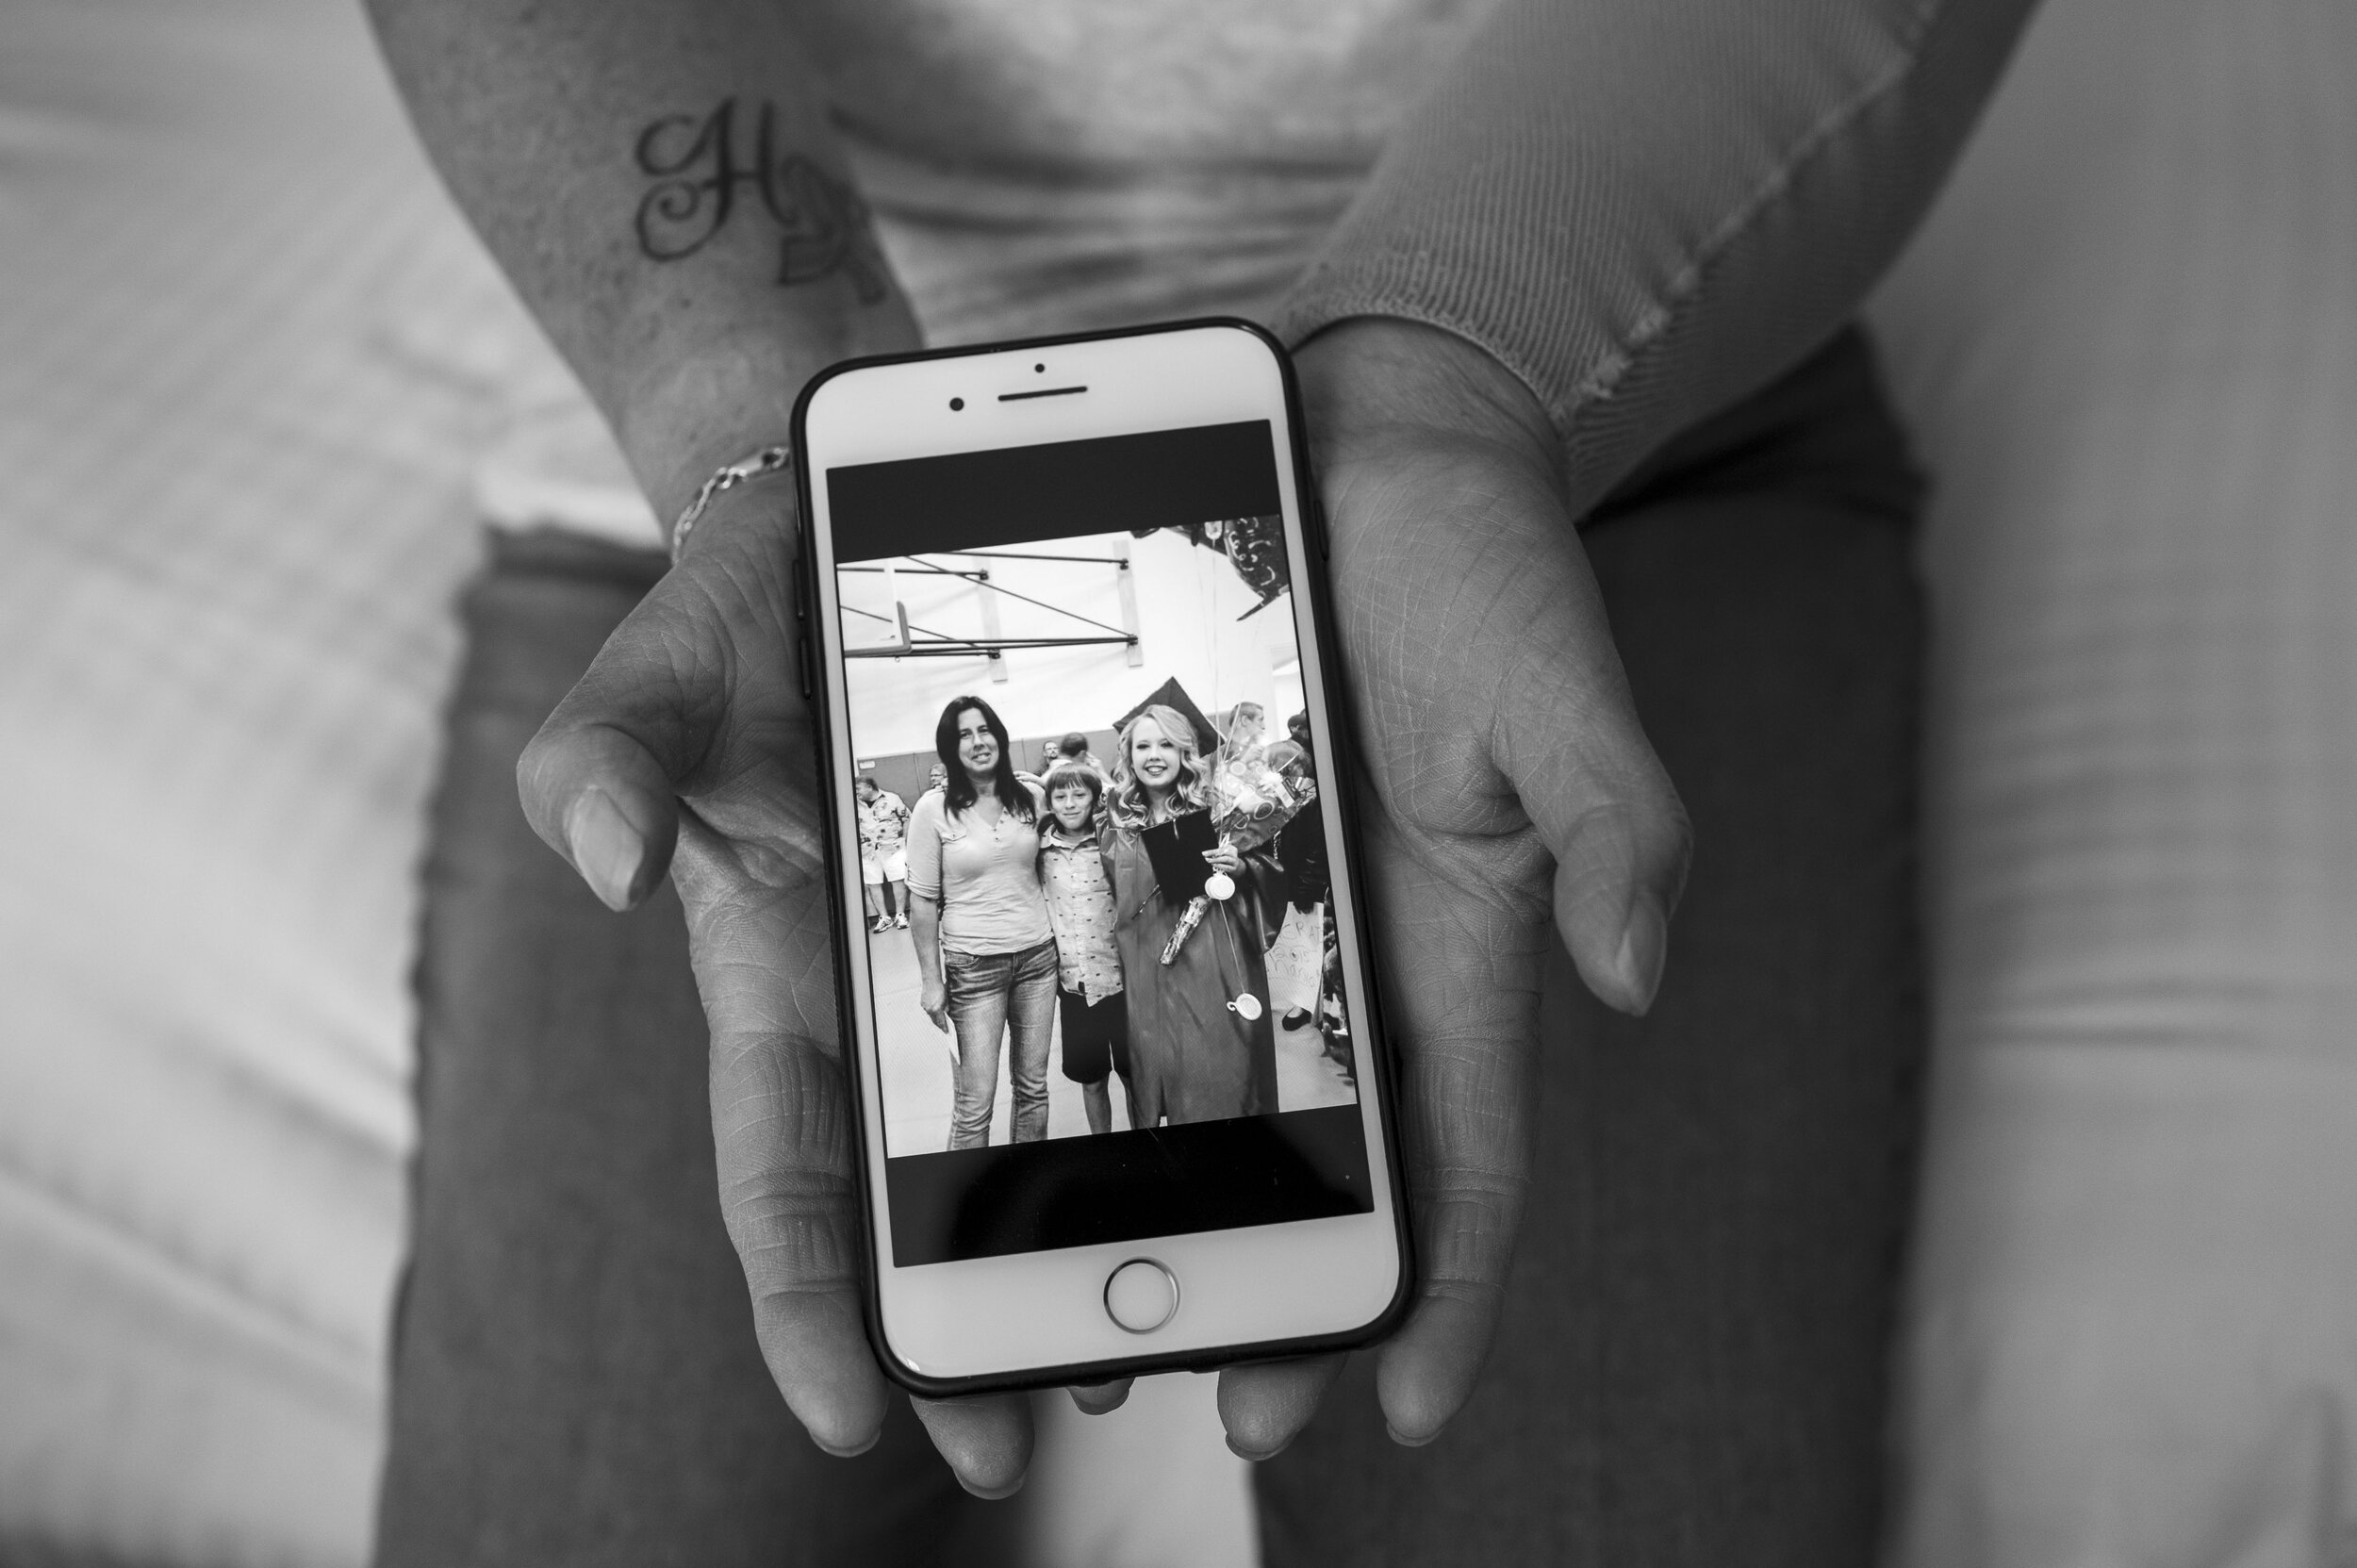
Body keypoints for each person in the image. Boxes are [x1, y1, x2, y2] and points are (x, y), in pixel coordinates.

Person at [368, 0, 2036, 1558]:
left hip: (1603, 364)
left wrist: (1457, 381)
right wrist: (750, 421)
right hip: (731, 499)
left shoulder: (1142, 794)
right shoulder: (969, 784)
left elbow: (1211, 871)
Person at [1103, 705, 1282, 1125]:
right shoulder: (1117, 818)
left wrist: (1240, 867)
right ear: (1128, 755)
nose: (1154, 755)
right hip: (1147, 962)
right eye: (1143, 745)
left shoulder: (1219, 807)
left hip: (1212, 960)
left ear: (1185, 750)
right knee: (1162, 1065)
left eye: (1166, 743)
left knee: (1219, 1067)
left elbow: (1270, 874)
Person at [903, 696, 1057, 1149]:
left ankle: (1028, 1190)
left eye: (984, 729)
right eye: (963, 735)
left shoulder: (1031, 796)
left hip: (1038, 959)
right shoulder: (932, 810)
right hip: (974, 968)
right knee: (975, 1104)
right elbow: (922, 905)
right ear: (952, 750)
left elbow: (1056, 864)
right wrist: (932, 981)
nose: (977, 741)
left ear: (999, 735)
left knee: (1033, 1089)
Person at [1035, 759, 1133, 1136]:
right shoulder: (1040, 850)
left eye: (1080, 794)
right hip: (1074, 985)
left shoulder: (1115, 842)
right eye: (1060, 796)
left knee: (1131, 1073)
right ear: (1050, 802)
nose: (1070, 803)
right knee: (1091, 1080)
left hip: (1123, 980)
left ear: (1095, 798)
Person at [856, 773, 910, 933]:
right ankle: (884, 918)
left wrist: (906, 842)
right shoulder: (853, 805)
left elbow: (907, 819)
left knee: (898, 880)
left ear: (869, 786)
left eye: (858, 788)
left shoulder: (892, 799)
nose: (855, 792)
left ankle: (900, 914)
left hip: (893, 848)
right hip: (867, 850)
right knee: (873, 884)